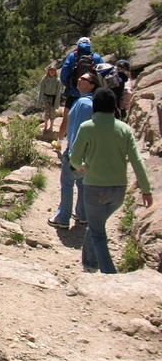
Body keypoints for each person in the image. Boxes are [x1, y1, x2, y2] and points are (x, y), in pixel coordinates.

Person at [70, 88, 154, 273]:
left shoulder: (87, 127)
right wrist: (146, 190)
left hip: (94, 187)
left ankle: (109, 273)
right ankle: (89, 264)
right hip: (118, 191)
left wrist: (82, 166)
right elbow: (137, 161)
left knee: (97, 232)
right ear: (114, 106)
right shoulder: (124, 129)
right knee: (95, 226)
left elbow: (74, 159)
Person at [48, 72, 99, 229]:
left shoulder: (83, 103)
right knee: (83, 183)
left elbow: (78, 130)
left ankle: (62, 217)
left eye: (84, 79)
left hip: (76, 152)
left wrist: (72, 153)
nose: (79, 80)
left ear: (92, 85)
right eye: (79, 78)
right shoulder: (93, 102)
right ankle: (82, 215)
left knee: (67, 184)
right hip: (89, 152)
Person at [58, 37, 103, 138]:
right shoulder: (96, 57)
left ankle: (59, 143)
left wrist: (70, 86)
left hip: (73, 93)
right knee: (89, 120)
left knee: (66, 120)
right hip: (91, 94)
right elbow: (102, 75)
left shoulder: (72, 56)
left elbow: (64, 73)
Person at [37, 65, 63, 133]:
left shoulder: (57, 80)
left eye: (53, 70)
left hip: (53, 98)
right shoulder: (44, 79)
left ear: (55, 72)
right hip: (46, 97)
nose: (52, 72)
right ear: (48, 71)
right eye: (50, 70)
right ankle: (45, 126)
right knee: (46, 112)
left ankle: (51, 127)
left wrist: (57, 103)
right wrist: (40, 101)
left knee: (52, 112)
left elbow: (58, 92)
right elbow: (41, 90)